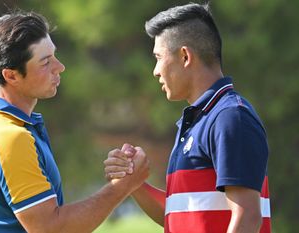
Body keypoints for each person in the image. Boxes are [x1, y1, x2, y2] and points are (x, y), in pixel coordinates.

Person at [0, 11, 149, 233]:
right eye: (45, 62)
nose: (59, 67)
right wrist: (124, 186)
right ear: (11, 76)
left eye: (54, 55)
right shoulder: (11, 138)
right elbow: (51, 228)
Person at [104, 3, 271, 233]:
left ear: (184, 56)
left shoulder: (230, 117)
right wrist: (134, 183)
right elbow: (179, 215)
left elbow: (248, 218)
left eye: (158, 57)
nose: (155, 70)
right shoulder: (200, 120)